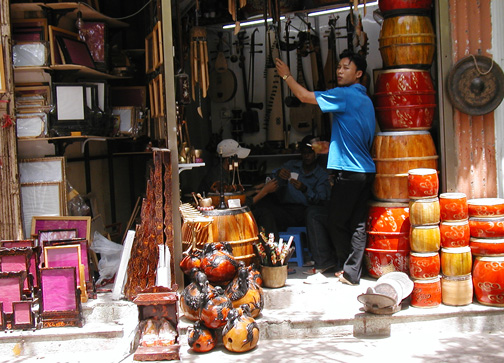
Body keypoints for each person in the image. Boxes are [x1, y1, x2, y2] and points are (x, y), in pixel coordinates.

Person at [275, 50, 376, 285]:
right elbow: (356, 136)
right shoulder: (365, 99)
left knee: (335, 221)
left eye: (346, 67)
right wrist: (327, 148)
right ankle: (352, 272)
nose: (339, 71)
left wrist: (286, 76)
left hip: (350, 172)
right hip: (366, 171)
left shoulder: (345, 95)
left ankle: (343, 266)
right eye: (339, 67)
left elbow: (304, 97)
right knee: (357, 223)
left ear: (359, 73)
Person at [251, 135, 331, 240]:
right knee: (262, 206)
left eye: (310, 153)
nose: (306, 156)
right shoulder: (292, 165)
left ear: (316, 154)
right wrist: (278, 173)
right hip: (284, 207)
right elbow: (272, 178)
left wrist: (305, 189)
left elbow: (321, 200)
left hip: (303, 211)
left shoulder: (321, 174)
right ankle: (267, 245)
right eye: (304, 152)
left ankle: (273, 244)